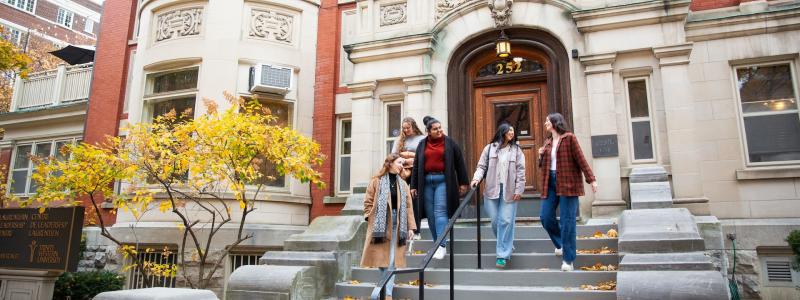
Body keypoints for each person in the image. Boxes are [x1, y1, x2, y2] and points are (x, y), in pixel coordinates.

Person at [537, 113, 598, 272]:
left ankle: (568, 260)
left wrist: (591, 179)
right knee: (545, 217)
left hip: (568, 183)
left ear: (555, 122)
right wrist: (541, 155)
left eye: (547, 121)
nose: (545, 123)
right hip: (549, 183)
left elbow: (581, 159)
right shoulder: (548, 142)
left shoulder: (570, 138)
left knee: (567, 221)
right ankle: (561, 244)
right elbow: (543, 165)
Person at [410, 116, 469, 260]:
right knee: (430, 216)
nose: (439, 130)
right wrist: (413, 185)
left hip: (443, 181)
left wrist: (463, 182)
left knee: (440, 212)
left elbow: (459, 162)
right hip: (426, 183)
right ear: (428, 132)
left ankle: (441, 246)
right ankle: (438, 244)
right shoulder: (422, 144)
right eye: (435, 129)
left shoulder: (449, 143)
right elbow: (417, 164)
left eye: (440, 128)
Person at [361, 153, 417, 299]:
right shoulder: (376, 181)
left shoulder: (403, 184)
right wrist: (369, 217)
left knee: (392, 261)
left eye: (402, 163)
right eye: (399, 162)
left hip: (398, 224)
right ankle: (384, 287)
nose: (401, 166)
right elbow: (368, 201)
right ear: (390, 163)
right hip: (380, 225)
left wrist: (411, 227)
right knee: (381, 262)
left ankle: (387, 294)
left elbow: (409, 207)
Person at [471, 122, 525, 268]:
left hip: (510, 190)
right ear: (502, 132)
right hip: (491, 189)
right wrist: (476, 178)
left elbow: (520, 171)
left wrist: (519, 189)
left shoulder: (516, 150)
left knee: (505, 221)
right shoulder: (489, 149)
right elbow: (481, 166)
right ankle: (507, 244)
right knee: (495, 221)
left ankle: (502, 255)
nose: (512, 133)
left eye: (513, 131)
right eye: (510, 130)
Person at [391, 117, 425, 235]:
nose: (406, 130)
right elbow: (393, 156)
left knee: (415, 200)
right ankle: (403, 228)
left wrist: (409, 158)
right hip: (402, 172)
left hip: (417, 172)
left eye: (408, 128)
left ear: (413, 126)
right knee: (402, 198)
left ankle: (416, 230)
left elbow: (424, 156)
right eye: (404, 128)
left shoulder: (422, 138)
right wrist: (409, 159)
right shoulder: (399, 140)